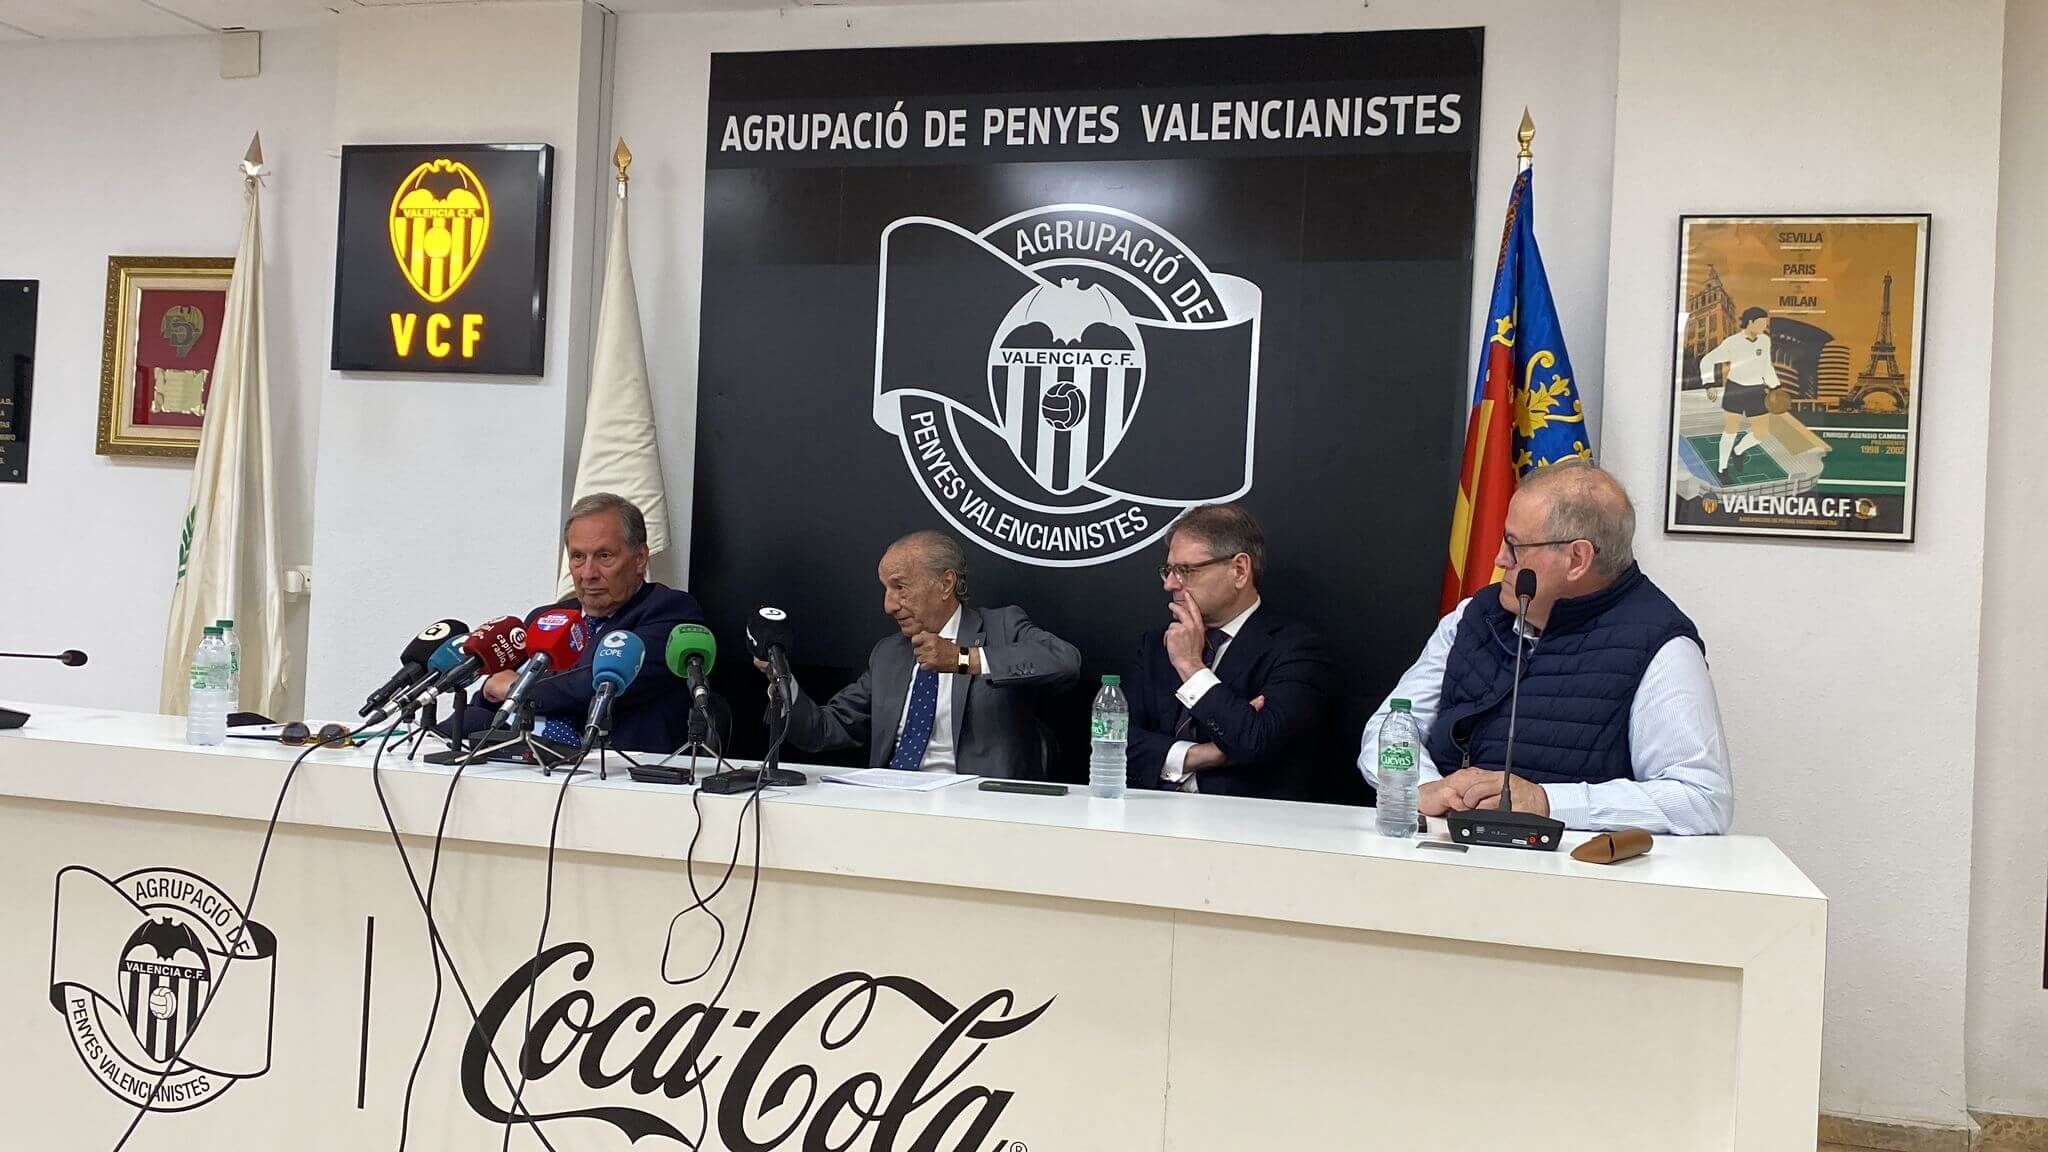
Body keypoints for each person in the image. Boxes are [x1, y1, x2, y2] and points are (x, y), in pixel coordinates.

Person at [1356, 461, 1732, 834]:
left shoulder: (1662, 646)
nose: (1499, 559)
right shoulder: (1473, 617)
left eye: (1515, 546)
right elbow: (1388, 728)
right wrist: (1422, 786)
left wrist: (1547, 802)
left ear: (1577, 559)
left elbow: (1701, 799)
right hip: (1445, 857)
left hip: (1571, 879)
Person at [769, 530, 1080, 778]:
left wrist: (963, 658)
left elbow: (1065, 661)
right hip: (891, 805)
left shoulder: (1002, 627)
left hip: (976, 815)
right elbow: (823, 730)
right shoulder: (889, 654)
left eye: (900, 587)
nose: (888, 606)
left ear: (945, 584)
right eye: (885, 589)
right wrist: (782, 678)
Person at [450, 492, 705, 754]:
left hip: (608, 774)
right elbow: (490, 698)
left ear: (639, 558)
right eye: (578, 557)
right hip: (516, 764)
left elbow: (593, 686)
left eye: (604, 556)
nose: (588, 573)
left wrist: (518, 688)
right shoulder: (544, 618)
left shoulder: (670, 610)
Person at [1125, 504, 1330, 799]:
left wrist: (1191, 666)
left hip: (1246, 829)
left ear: (1239, 570)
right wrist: (1205, 754)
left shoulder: (1296, 649)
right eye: (1168, 570)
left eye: (1185, 571)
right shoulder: (1155, 644)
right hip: (1146, 818)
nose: (1170, 584)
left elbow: (1255, 741)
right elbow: (1115, 741)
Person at [1697, 306, 1786, 485]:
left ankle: (1738, 451)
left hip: (1757, 391)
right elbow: (1706, 360)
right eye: (1761, 322)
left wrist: (1776, 387)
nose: (1764, 325)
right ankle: (1722, 469)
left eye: (1765, 322)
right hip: (1735, 390)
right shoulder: (1732, 342)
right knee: (1730, 431)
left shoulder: (1764, 341)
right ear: (1751, 322)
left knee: (1761, 433)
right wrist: (1709, 384)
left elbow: (1766, 366)